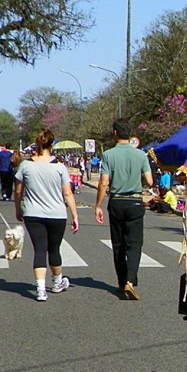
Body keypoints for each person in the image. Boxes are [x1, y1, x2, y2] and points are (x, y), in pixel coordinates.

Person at [14, 129, 80, 302]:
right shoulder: (59, 167)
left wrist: (18, 209)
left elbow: (18, 191)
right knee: (54, 249)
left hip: (32, 213)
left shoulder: (26, 166)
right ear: (52, 145)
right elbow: (67, 194)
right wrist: (75, 215)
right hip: (56, 214)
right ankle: (57, 282)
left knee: (39, 250)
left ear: (37, 144)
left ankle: (40, 289)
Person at [93, 118, 154, 300]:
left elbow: (104, 183)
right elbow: (150, 181)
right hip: (135, 201)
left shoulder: (109, 155)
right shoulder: (140, 155)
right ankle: (130, 281)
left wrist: (98, 205)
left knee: (118, 245)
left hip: (117, 201)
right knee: (134, 244)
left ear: (115, 133)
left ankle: (121, 282)